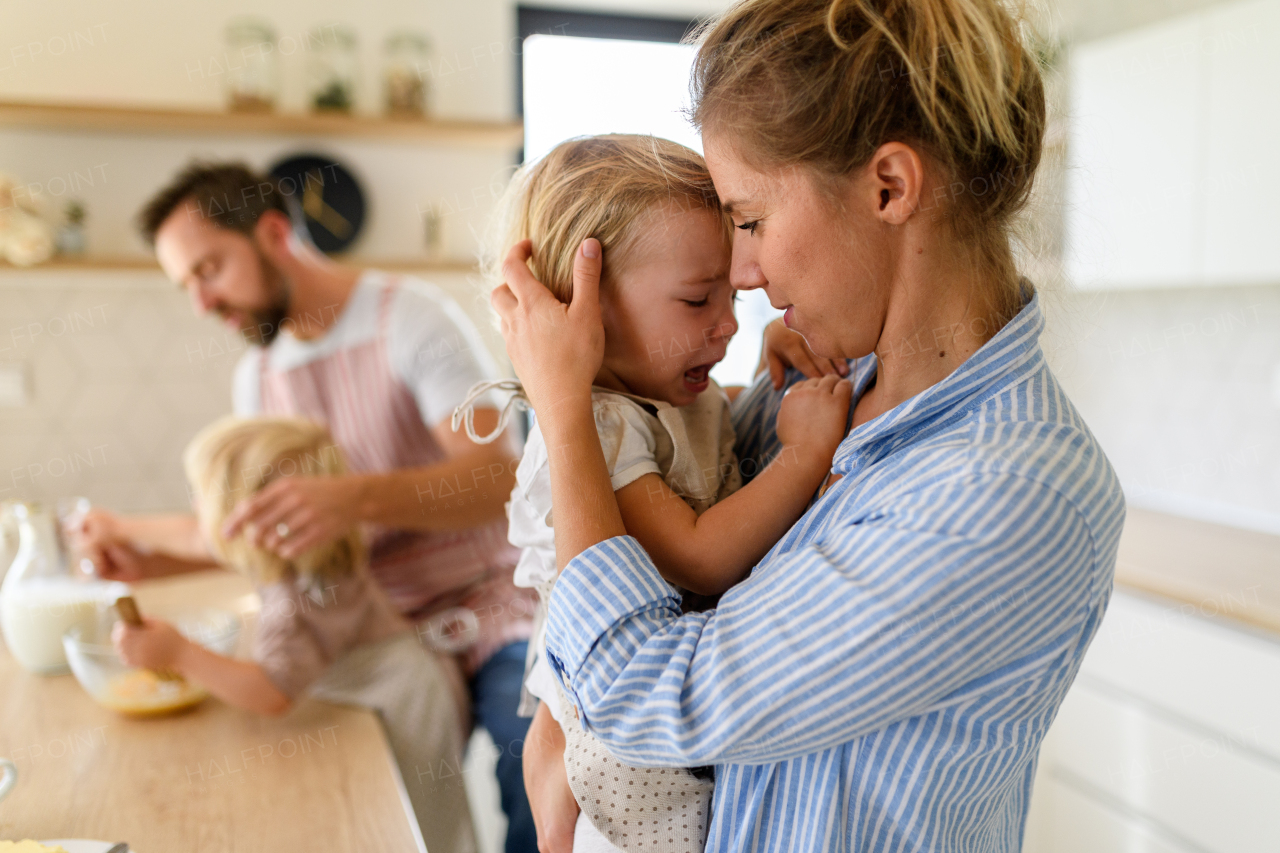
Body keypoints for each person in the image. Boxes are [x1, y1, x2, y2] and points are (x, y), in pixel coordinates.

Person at [497, 1, 1126, 851]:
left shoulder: (1007, 486)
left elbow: (649, 695)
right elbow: (663, 547)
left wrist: (564, 412)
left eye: (751, 220)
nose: (745, 274)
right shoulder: (825, 392)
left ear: (889, 187)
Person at [72, 163, 537, 851]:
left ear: (272, 232)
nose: (202, 302)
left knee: (533, 759)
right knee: (331, 802)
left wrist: (353, 497)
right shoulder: (257, 377)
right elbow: (257, 531)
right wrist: (149, 556)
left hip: (489, 607)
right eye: (187, 285)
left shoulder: (410, 318)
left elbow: (500, 477)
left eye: (209, 270)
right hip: (361, 626)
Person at [457, 134, 851, 853]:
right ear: (585, 312)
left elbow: (702, 445)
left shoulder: (662, 394)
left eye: (730, 294)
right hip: (615, 739)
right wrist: (803, 456)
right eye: (698, 299)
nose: (729, 322)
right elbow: (699, 556)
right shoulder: (601, 424)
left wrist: (767, 380)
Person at [114, 416, 478, 853]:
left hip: (403, 704)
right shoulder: (305, 546)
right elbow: (203, 542)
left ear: (256, 516)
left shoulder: (307, 587)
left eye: (204, 495)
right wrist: (121, 532)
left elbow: (271, 692)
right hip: (393, 688)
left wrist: (178, 652)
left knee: (424, 828)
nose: (195, 504)